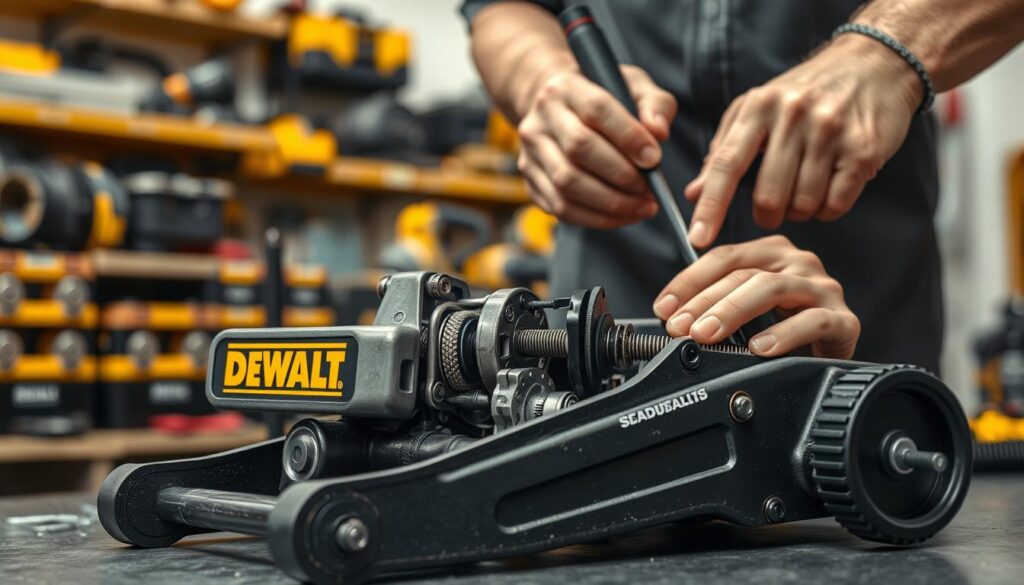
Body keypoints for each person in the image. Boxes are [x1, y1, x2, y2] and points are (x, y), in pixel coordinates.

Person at [461, 0, 1024, 370]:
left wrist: (889, 49)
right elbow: (500, 9)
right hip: (608, 303)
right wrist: (544, 81)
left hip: (858, 315)